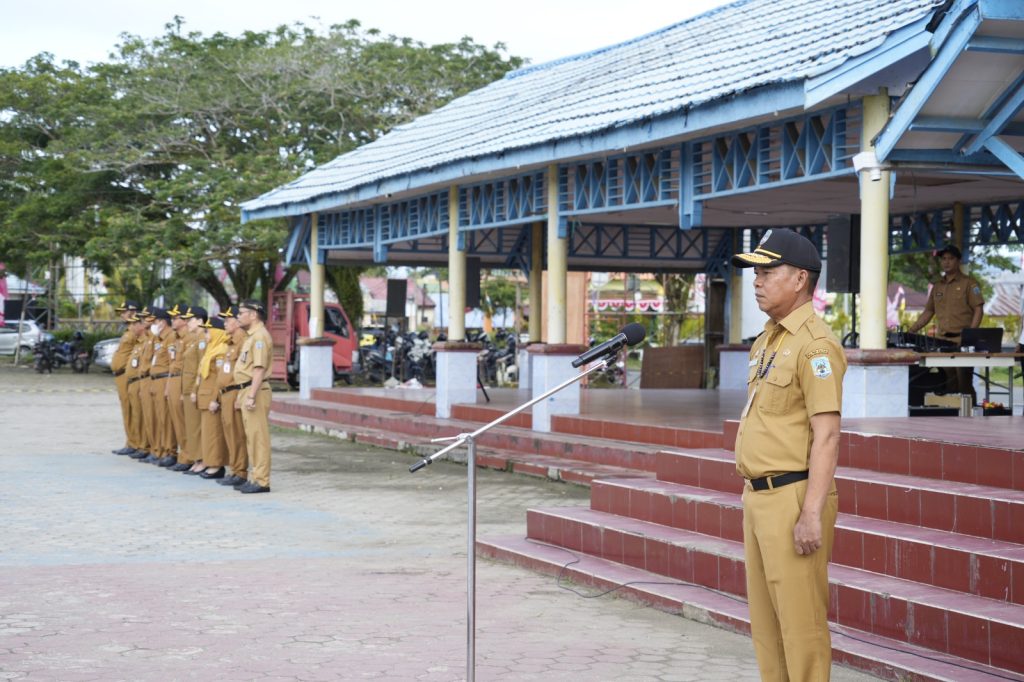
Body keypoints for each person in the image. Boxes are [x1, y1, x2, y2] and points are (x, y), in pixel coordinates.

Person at [730, 228, 846, 681]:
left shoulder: (816, 345)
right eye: (755, 273)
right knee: (767, 624)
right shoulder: (767, 340)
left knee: (801, 626)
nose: (757, 281)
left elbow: (828, 435)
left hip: (794, 497)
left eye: (768, 271)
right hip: (758, 496)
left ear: (800, 279)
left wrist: (811, 513)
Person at [907, 244, 984, 403]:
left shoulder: (969, 284)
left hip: (962, 341)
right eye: (943, 259)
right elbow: (929, 311)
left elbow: (978, 309)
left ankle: (971, 417)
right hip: (942, 341)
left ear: (958, 261)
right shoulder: (937, 286)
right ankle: (952, 415)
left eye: (951, 258)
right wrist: (911, 331)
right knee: (948, 381)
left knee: (964, 382)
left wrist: (971, 334)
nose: (946, 262)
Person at [233, 299, 273, 494]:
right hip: (247, 390)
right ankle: (254, 476)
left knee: (258, 438)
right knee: (251, 437)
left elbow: (259, 369)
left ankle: (262, 481)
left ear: (253, 315)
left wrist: (250, 396)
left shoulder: (259, 337)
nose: (238, 316)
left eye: (241, 313)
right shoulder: (252, 336)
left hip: (254, 391)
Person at [213, 305, 249, 488]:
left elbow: (243, 371)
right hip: (225, 394)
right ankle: (234, 469)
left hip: (235, 392)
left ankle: (240, 471)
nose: (225, 323)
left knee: (237, 434)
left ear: (237, 321)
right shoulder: (230, 342)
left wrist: (240, 395)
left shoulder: (242, 341)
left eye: (228, 320)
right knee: (229, 433)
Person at [195, 316, 230, 479]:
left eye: (209, 332)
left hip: (212, 398)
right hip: (204, 396)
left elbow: (219, 378)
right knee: (208, 432)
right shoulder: (211, 349)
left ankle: (216, 465)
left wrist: (215, 399)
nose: (206, 335)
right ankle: (210, 462)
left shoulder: (221, 350)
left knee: (214, 433)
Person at [111, 300, 140, 456]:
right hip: (120, 375)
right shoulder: (129, 330)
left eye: (125, 311)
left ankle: (136, 443)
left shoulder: (136, 331)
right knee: (127, 410)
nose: (122, 315)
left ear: (133, 311)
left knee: (132, 410)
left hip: (127, 375)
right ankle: (131, 441)